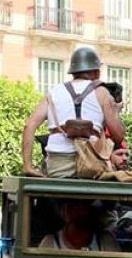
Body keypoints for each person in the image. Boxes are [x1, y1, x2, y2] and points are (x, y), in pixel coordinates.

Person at [21, 46, 125, 178]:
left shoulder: (54, 92)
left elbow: (29, 126)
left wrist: (28, 166)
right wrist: (115, 112)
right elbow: (118, 136)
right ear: (96, 72)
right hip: (91, 162)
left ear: (73, 72)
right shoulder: (102, 93)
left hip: (58, 163)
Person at [38, 201, 122, 252]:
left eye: (81, 205)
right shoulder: (50, 241)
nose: (77, 210)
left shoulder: (105, 240)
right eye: (70, 206)